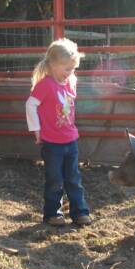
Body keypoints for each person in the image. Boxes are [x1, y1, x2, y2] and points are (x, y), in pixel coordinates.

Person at [25, 38, 91, 226]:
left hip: (71, 140)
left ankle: (79, 212)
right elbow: (31, 105)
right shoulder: (45, 85)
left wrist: (71, 76)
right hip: (52, 143)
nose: (70, 72)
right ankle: (53, 213)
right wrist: (36, 129)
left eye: (73, 68)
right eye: (66, 68)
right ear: (53, 65)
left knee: (74, 178)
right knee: (55, 179)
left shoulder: (71, 81)